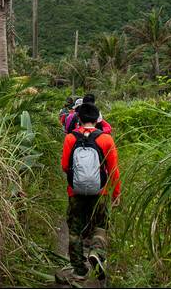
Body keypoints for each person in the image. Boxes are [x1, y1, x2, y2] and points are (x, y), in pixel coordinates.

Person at [60, 101, 121, 281]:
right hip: (100, 193)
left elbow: (64, 166)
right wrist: (116, 193)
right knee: (101, 225)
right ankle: (96, 252)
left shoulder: (70, 138)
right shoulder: (106, 139)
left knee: (75, 230)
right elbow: (113, 170)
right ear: (97, 120)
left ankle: (79, 270)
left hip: (75, 192)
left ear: (79, 118)